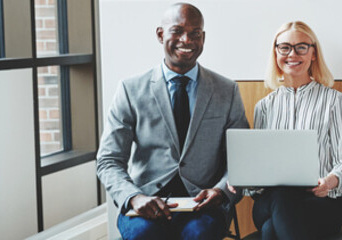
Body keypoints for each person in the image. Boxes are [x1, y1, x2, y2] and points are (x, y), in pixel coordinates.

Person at [96, 3, 248, 239]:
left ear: (203, 37)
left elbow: (241, 160)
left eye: (195, 33)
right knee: (143, 235)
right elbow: (108, 160)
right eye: (177, 31)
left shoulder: (226, 90)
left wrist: (220, 191)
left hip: (203, 207)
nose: (186, 40)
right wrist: (134, 197)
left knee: (200, 234)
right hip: (145, 204)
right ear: (160, 35)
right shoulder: (130, 89)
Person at [245, 21, 342, 240]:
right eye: (284, 47)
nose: (292, 54)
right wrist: (245, 178)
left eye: (301, 47)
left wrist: (330, 181)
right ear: (276, 53)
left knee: (269, 231)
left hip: (320, 201)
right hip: (271, 200)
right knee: (281, 196)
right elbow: (258, 168)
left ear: (313, 53)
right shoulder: (264, 106)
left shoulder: (335, 101)